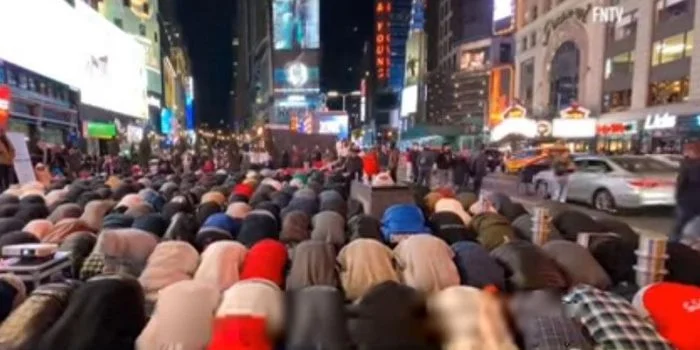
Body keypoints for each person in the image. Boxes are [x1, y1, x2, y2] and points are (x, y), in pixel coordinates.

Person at [672, 142, 700, 241]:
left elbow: (681, 183)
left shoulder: (687, 165)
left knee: (679, 227)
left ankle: (674, 246)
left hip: (687, 201)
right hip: (692, 201)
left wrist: (678, 197)